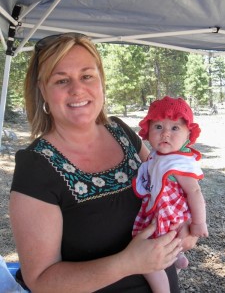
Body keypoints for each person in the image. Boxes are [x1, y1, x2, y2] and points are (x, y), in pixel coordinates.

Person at [9, 33, 196, 293]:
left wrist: (188, 225)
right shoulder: (36, 166)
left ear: (100, 81)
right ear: (43, 90)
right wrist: (127, 263)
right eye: (61, 80)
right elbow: (40, 280)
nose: (77, 89)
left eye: (87, 76)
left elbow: (166, 183)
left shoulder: (122, 133)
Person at [132, 96, 208, 293]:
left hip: (170, 216)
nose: (165, 133)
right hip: (160, 214)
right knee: (163, 248)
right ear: (148, 132)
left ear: (188, 134)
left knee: (147, 257)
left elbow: (195, 191)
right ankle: (177, 258)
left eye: (175, 128)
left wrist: (198, 223)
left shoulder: (178, 163)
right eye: (158, 127)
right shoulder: (158, 157)